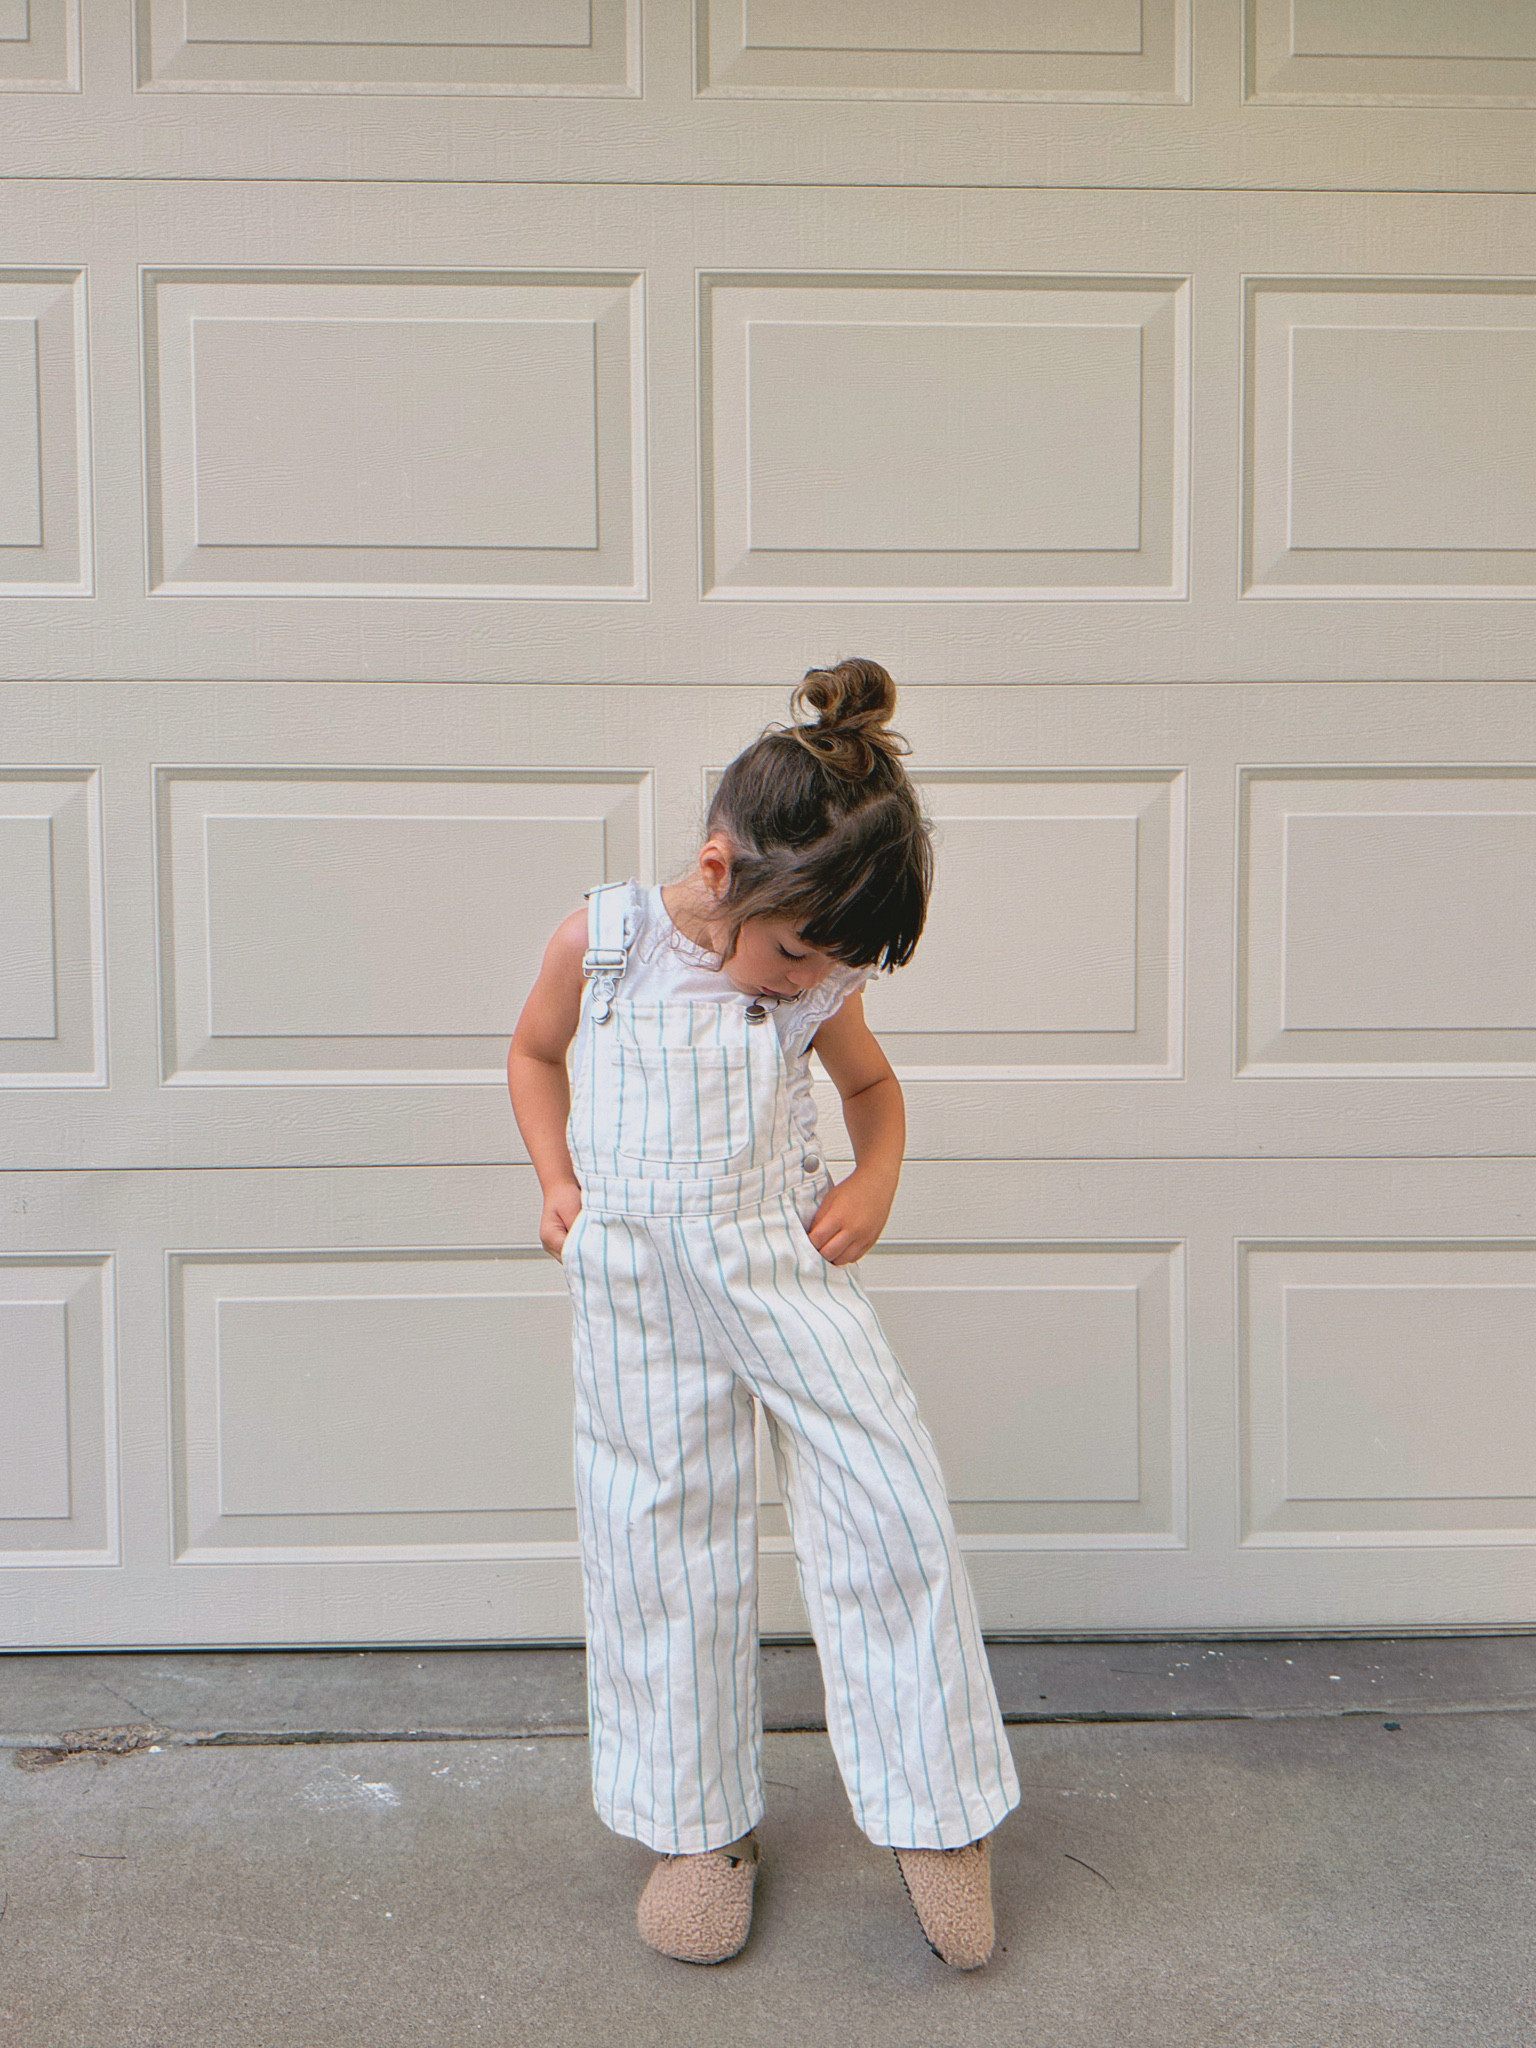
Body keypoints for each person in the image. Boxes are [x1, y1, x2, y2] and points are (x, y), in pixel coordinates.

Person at [507, 657, 1019, 1969]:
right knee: (655, 1530)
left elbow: (877, 1095)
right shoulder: (604, 943)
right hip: (634, 1291)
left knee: (887, 1500)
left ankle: (936, 1811)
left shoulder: (813, 985)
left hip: (777, 1267)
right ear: (722, 868)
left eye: (834, 969)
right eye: (797, 955)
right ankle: (697, 1827)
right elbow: (533, 1054)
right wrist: (558, 1181)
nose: (808, 986)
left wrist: (878, 1181)